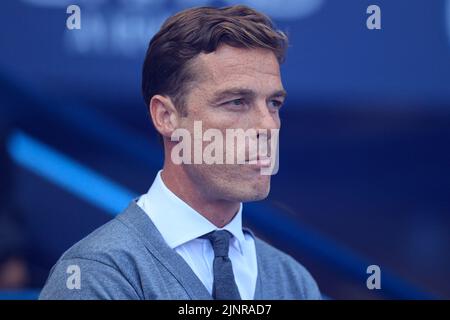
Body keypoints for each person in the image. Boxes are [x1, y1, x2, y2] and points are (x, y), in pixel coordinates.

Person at [39, 5, 321, 300]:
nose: (267, 125)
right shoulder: (95, 275)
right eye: (237, 102)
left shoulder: (294, 282)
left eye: (274, 103)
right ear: (166, 116)